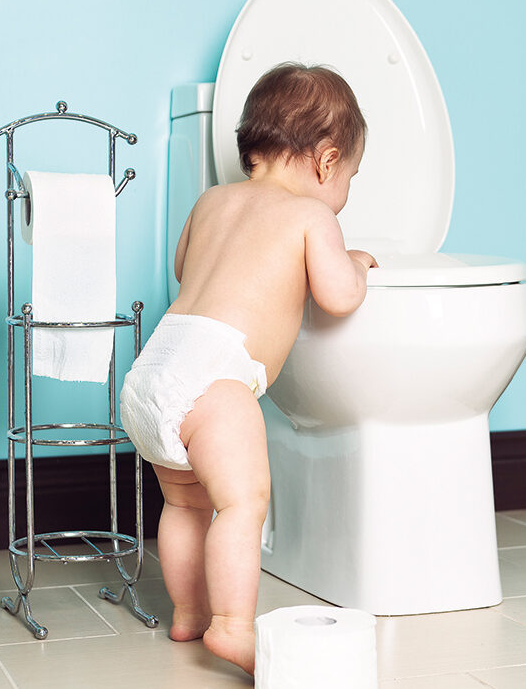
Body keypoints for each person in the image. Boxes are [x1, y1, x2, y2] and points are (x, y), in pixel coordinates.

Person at [119, 62, 376, 675]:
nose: (345, 192)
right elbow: (339, 296)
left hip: (154, 370)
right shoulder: (314, 219)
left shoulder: (211, 201)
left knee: (185, 505)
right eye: (351, 178)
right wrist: (356, 261)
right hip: (215, 377)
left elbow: (185, 270)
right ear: (326, 161)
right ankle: (232, 628)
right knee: (241, 504)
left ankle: (187, 614)